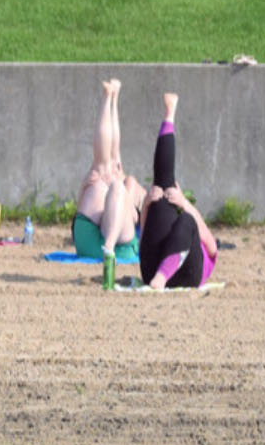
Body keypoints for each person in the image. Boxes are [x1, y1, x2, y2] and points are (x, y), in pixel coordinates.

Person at [139, 92, 218, 292]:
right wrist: (147, 204)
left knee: (188, 221)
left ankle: (169, 115)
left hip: (188, 275)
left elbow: (211, 245)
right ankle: (169, 115)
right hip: (152, 268)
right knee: (160, 190)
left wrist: (184, 203)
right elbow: (142, 244)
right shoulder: (172, 220)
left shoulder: (189, 229)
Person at [72, 77, 144, 266]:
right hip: (106, 242)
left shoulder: (129, 187)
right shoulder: (129, 186)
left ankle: (110, 97)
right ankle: (111, 98)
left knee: (107, 170)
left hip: (109, 243)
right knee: (110, 168)